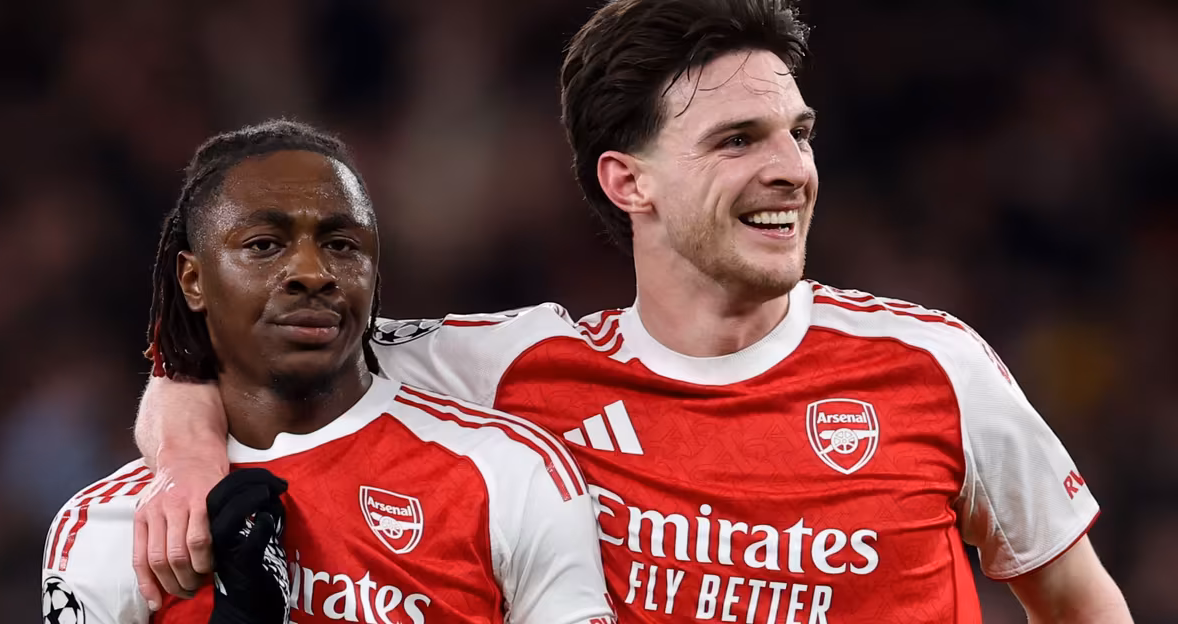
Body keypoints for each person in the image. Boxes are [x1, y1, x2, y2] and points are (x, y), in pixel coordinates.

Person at [132, 1, 1134, 622]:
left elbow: (1079, 602)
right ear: (629, 181)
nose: (791, 168)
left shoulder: (934, 367)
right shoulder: (511, 372)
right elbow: (227, 359)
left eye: (798, 133)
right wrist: (184, 461)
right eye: (737, 140)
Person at [42, 120, 616, 624]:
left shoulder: (508, 471)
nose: (312, 272)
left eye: (342, 245)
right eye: (264, 245)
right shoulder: (109, 526)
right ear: (193, 281)